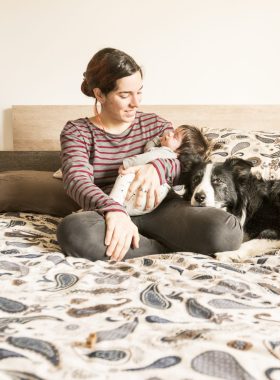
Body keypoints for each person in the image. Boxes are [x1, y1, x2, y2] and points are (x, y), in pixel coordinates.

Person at [56, 47, 243, 262]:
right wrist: (113, 210)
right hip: (108, 211)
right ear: (100, 94)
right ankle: (166, 249)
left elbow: (188, 165)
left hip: (161, 208)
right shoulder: (77, 131)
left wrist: (158, 168)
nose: (136, 103)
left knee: (226, 231)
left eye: (139, 92)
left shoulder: (156, 124)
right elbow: (75, 179)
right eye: (124, 95)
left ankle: (130, 247)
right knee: (72, 231)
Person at [109, 125, 209, 215]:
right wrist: (159, 139)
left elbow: (141, 159)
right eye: (173, 131)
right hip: (145, 202)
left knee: (127, 174)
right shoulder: (162, 151)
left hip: (141, 197)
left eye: (175, 136)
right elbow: (148, 148)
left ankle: (113, 204)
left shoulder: (165, 153)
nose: (169, 133)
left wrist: (127, 163)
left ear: (180, 152)